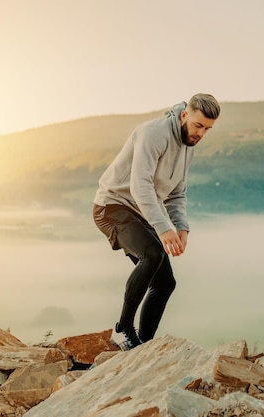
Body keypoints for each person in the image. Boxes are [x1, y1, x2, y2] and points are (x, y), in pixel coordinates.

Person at [93, 93, 221, 350]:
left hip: (141, 213)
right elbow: (140, 186)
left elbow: (176, 192)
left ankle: (143, 346)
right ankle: (123, 329)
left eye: (207, 129)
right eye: (198, 125)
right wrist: (163, 229)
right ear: (185, 115)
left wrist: (181, 227)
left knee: (165, 283)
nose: (201, 134)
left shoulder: (187, 147)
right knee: (152, 254)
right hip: (112, 207)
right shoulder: (154, 133)